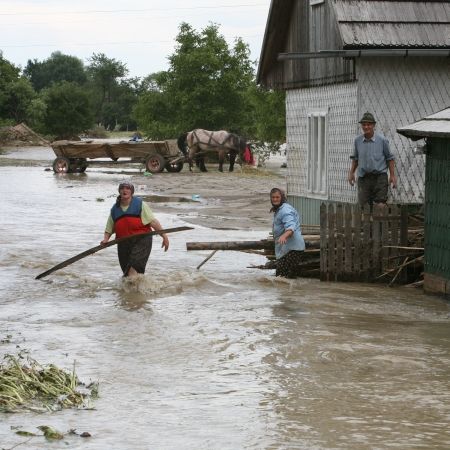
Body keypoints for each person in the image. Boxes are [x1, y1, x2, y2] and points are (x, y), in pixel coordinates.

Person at [101, 181, 169, 277]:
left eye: (127, 188)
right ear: (119, 191)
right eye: (122, 188)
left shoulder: (140, 204)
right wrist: (106, 239)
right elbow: (109, 228)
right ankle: (136, 290)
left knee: (133, 269)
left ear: (131, 192)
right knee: (126, 275)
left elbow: (153, 222)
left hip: (142, 240)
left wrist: (164, 236)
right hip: (123, 243)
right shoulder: (115, 209)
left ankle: (135, 289)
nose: (125, 190)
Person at [348, 112, 397, 207]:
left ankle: (379, 221)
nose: (366, 127)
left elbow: (390, 158)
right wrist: (351, 173)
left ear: (373, 125)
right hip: (364, 177)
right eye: (364, 125)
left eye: (369, 124)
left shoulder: (382, 140)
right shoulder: (357, 141)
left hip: (379, 177)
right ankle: (366, 222)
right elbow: (355, 158)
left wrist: (392, 175)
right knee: (364, 206)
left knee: (380, 204)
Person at [270, 187, 305, 278]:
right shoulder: (280, 209)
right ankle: (289, 292)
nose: (275, 199)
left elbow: (291, 227)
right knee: (285, 279)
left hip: (292, 249)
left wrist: (284, 236)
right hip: (288, 249)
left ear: (282, 197)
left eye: (277, 197)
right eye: (273, 197)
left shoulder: (285, 210)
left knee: (282, 277)